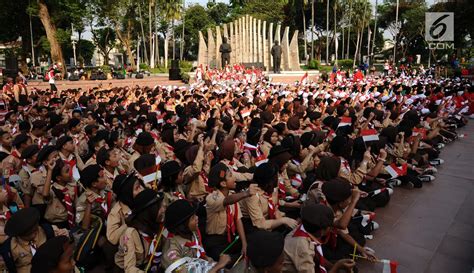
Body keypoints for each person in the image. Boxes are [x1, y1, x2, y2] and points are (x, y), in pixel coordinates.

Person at [282, 203, 356, 273]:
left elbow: (317, 257)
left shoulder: (305, 227)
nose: (331, 229)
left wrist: (334, 266)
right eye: (330, 227)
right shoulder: (303, 248)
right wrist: (337, 267)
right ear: (322, 231)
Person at [161, 199, 231, 272]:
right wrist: (219, 265)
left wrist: (210, 261)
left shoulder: (192, 233)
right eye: (192, 218)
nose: (197, 218)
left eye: (195, 215)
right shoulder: (172, 251)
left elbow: (200, 256)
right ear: (182, 226)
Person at [114, 189, 164, 272]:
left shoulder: (157, 225)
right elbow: (130, 269)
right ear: (149, 211)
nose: (163, 210)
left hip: (148, 266)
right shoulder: (131, 234)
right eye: (159, 207)